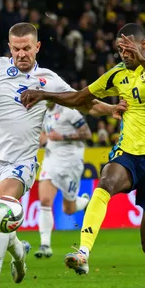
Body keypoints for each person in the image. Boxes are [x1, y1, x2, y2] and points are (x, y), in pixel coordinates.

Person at [0, 22, 125, 288]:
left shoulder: (48, 80)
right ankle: (18, 252)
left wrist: (111, 110)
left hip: (20, 163)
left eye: (26, 48)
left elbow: (82, 103)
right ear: (9, 48)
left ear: (37, 47)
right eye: (16, 49)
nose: (21, 54)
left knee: (0, 208)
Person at [21, 23, 145, 288]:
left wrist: (143, 60)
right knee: (106, 182)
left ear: (144, 45)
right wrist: (45, 96)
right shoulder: (117, 74)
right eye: (121, 49)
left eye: (130, 48)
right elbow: (80, 98)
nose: (125, 53)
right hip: (130, 153)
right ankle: (83, 252)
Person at [35, 101, 91, 259]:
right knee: (45, 201)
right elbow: (40, 132)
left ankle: (84, 203)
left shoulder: (69, 112)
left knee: (69, 209)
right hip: (51, 160)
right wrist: (42, 139)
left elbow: (87, 133)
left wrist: (63, 137)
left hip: (71, 163)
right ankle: (45, 245)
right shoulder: (42, 112)